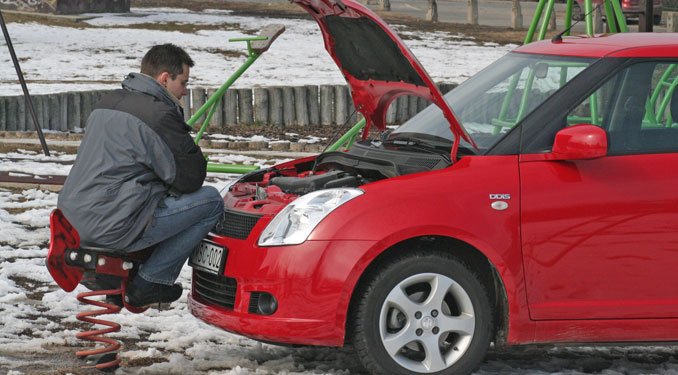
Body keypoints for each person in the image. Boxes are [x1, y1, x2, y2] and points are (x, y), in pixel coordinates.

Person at [57, 44, 224, 307]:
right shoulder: (157, 115)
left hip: (72, 221)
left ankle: (122, 280)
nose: (185, 91)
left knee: (145, 192)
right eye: (183, 82)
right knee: (210, 202)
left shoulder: (107, 103)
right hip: (113, 225)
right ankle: (152, 281)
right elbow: (190, 179)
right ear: (164, 78)